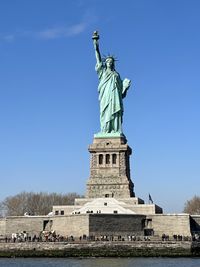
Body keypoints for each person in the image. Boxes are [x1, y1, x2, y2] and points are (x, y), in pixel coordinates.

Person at [93, 31, 131, 134]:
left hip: (115, 97)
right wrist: (95, 43)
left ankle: (115, 130)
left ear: (113, 63)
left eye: (111, 61)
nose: (109, 62)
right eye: (107, 61)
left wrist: (125, 88)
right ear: (105, 63)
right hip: (105, 95)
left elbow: (121, 94)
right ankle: (105, 130)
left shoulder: (117, 75)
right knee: (105, 112)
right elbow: (97, 56)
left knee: (115, 111)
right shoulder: (102, 71)